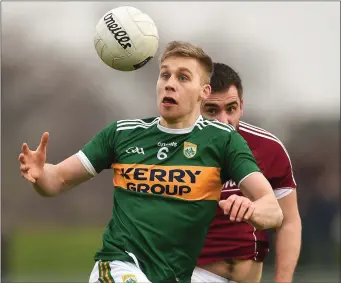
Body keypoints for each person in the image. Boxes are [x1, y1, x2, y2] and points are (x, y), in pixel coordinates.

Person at [18, 42, 283, 283]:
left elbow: (273, 210)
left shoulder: (222, 141)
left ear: (204, 92)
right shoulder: (121, 134)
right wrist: (41, 174)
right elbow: (58, 180)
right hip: (118, 266)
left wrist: (251, 209)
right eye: (165, 75)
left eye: (182, 77)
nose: (169, 84)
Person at [192, 63, 301, 283]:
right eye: (212, 110)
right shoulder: (175, 152)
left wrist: (283, 280)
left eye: (231, 109)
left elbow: (288, 221)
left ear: (241, 106)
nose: (224, 121)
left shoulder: (269, 149)